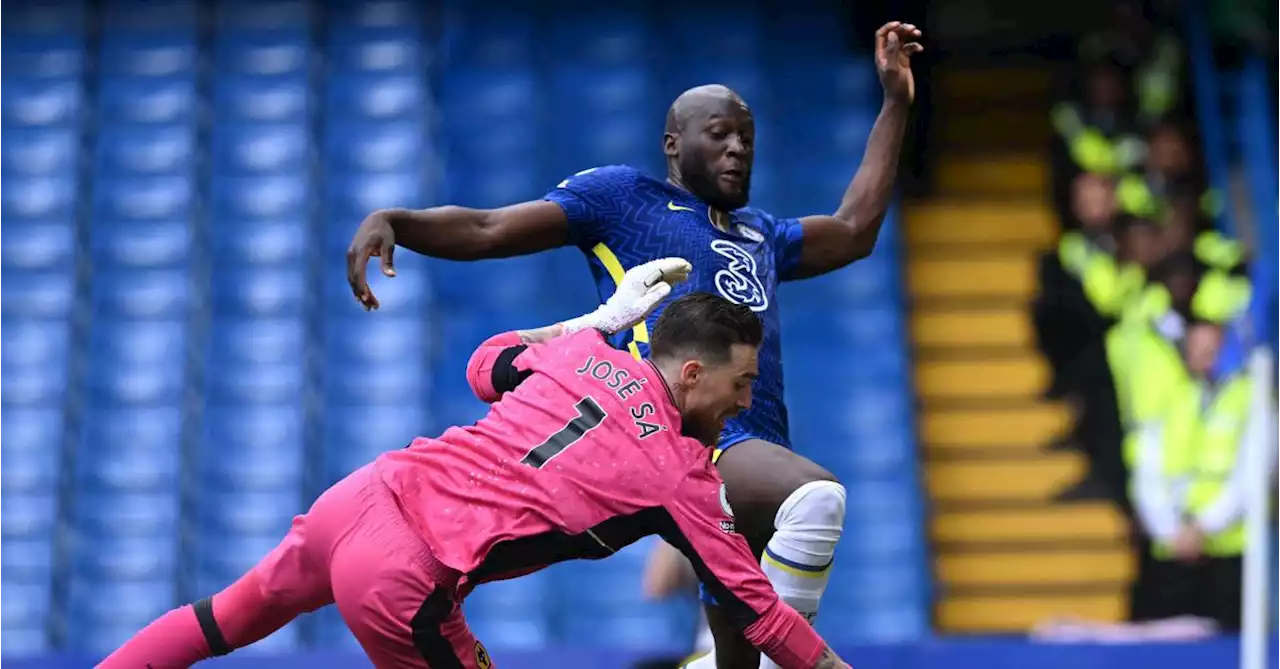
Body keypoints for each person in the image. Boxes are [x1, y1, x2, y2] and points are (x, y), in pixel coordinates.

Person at [345, 22, 921, 669]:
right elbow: (486, 227)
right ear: (673, 144)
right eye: (720, 134)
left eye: (747, 140)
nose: (737, 150)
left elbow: (853, 229)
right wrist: (399, 221)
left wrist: (895, 102)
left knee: (739, 656)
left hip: (752, 447)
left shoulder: (763, 234)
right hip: (684, 443)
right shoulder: (623, 199)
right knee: (815, 498)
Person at [98, 259, 854, 669]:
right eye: (741, 382)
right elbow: (760, 612)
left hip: (361, 495)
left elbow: (485, 364)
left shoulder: (585, 353)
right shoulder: (679, 473)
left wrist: (594, 320)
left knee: (222, 618)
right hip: (407, 574)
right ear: (692, 373)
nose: (746, 398)